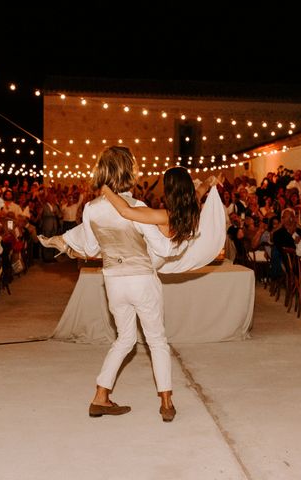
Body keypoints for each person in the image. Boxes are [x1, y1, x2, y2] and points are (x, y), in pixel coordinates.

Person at [42, 146, 191, 422]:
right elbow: (161, 247)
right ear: (128, 172)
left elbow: (89, 247)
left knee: (125, 339)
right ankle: (167, 403)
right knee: (156, 340)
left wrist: (69, 245)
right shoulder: (137, 207)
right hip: (142, 279)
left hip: (113, 281)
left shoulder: (91, 209)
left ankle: (101, 396)